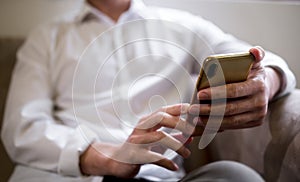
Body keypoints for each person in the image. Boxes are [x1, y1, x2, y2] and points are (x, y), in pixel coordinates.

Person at [1, 0, 296, 181]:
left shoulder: (181, 26)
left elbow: (257, 58)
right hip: (64, 177)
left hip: (158, 178)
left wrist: (268, 81)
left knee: (236, 177)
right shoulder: (48, 37)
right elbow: (22, 127)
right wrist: (107, 157)